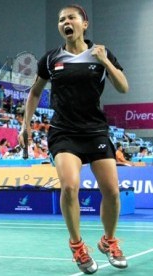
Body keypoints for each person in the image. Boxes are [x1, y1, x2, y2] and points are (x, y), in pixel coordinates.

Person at [18, 5, 128, 274]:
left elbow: (123, 87)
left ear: (84, 24)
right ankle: (77, 246)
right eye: (61, 19)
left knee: (112, 192)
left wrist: (105, 62)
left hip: (95, 131)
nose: (65, 22)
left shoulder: (101, 53)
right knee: (69, 187)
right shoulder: (51, 58)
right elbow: (34, 93)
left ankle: (108, 241)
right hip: (64, 131)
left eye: (71, 17)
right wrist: (25, 125)